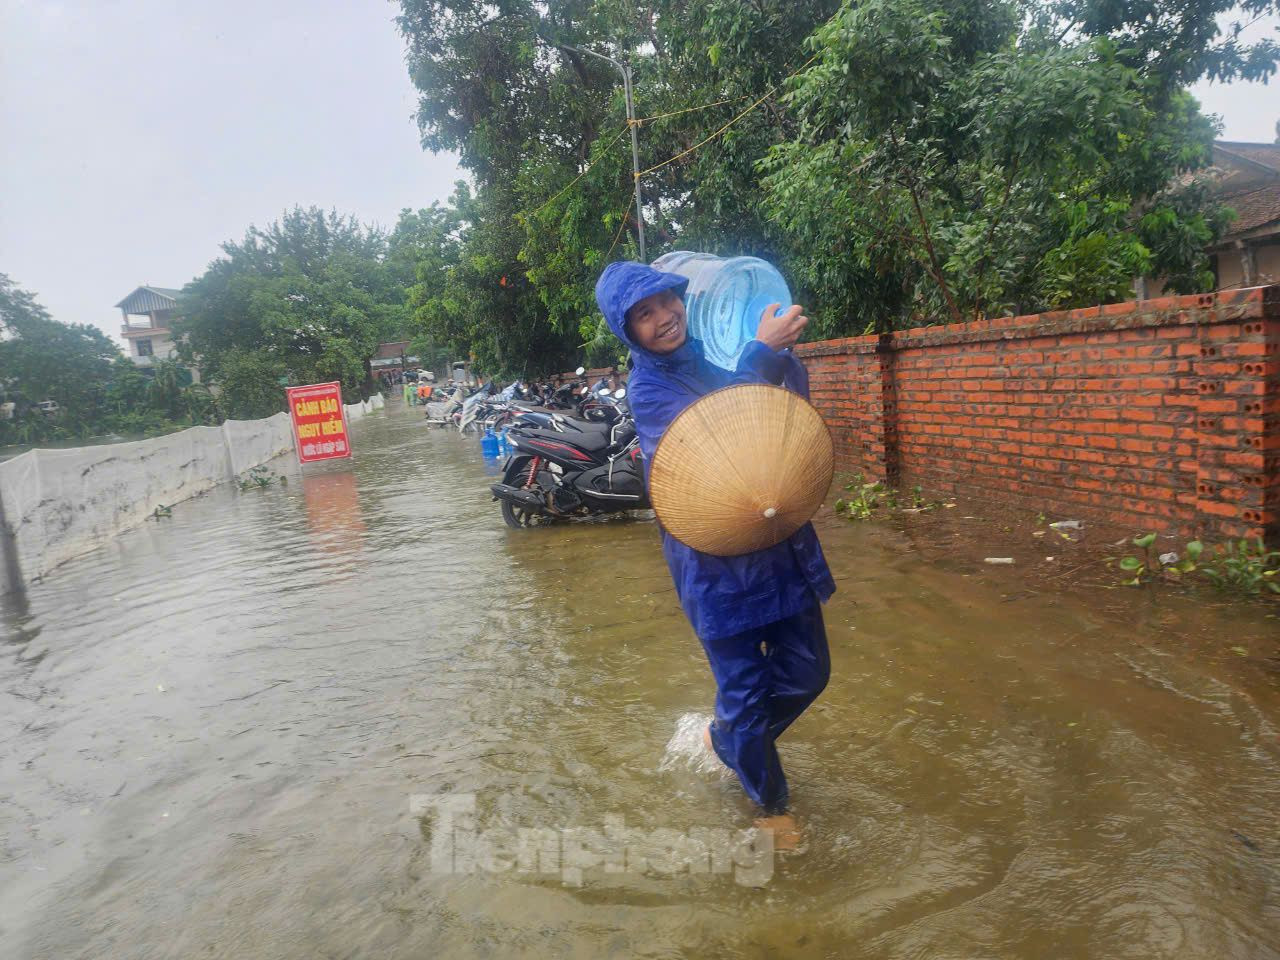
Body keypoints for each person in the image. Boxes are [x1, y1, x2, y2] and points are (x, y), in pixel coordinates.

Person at [595, 261, 835, 844]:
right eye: (644, 315)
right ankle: (770, 805)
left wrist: (776, 353)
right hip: (714, 560)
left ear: (685, 298)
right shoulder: (648, 389)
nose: (663, 319)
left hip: (772, 536)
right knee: (747, 692)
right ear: (628, 331)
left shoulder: (713, 355)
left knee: (809, 672)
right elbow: (713, 433)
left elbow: (781, 407)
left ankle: (728, 740)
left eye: (666, 302)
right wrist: (757, 353)